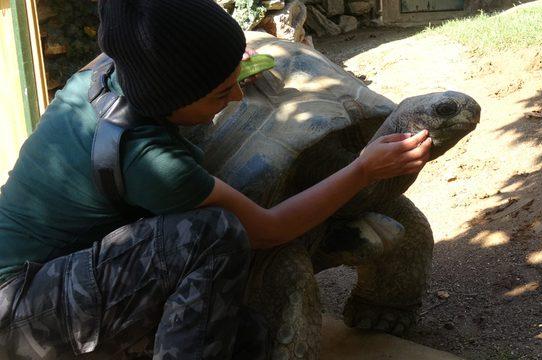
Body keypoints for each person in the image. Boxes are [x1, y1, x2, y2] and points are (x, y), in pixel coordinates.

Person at [0, 0, 432, 358]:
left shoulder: (105, 77)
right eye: (222, 93)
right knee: (213, 234)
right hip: (18, 310)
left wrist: (220, 69)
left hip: (50, 271)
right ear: (174, 97)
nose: (239, 95)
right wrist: (362, 170)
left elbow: (169, 55)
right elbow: (269, 229)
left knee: (248, 337)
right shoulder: (149, 160)